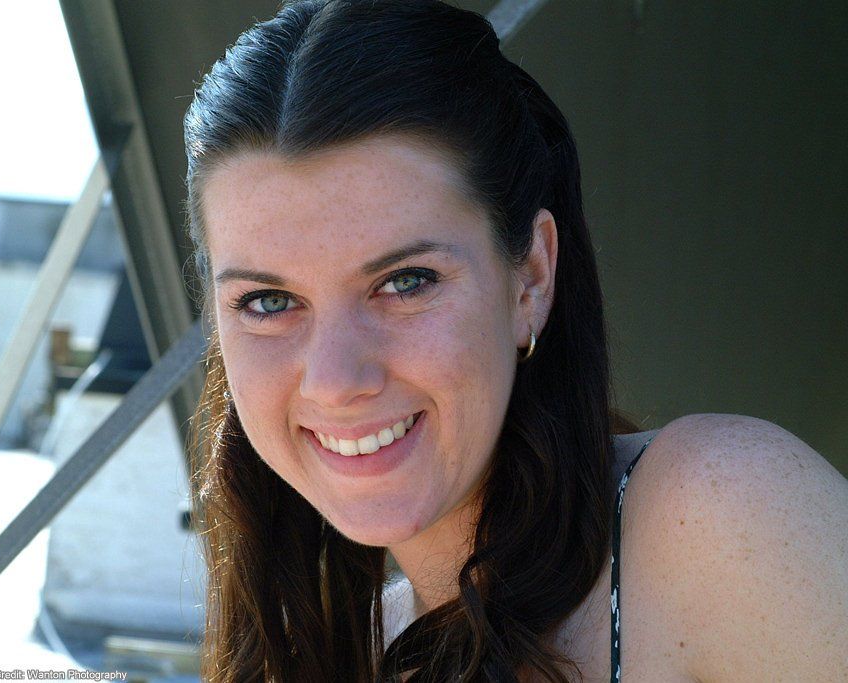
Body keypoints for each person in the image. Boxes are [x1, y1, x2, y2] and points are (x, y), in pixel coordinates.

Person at [181, 1, 848, 681]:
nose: (333, 379)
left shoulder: (719, 515)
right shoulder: (345, 658)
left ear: (530, 278)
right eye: (268, 302)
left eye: (405, 282)